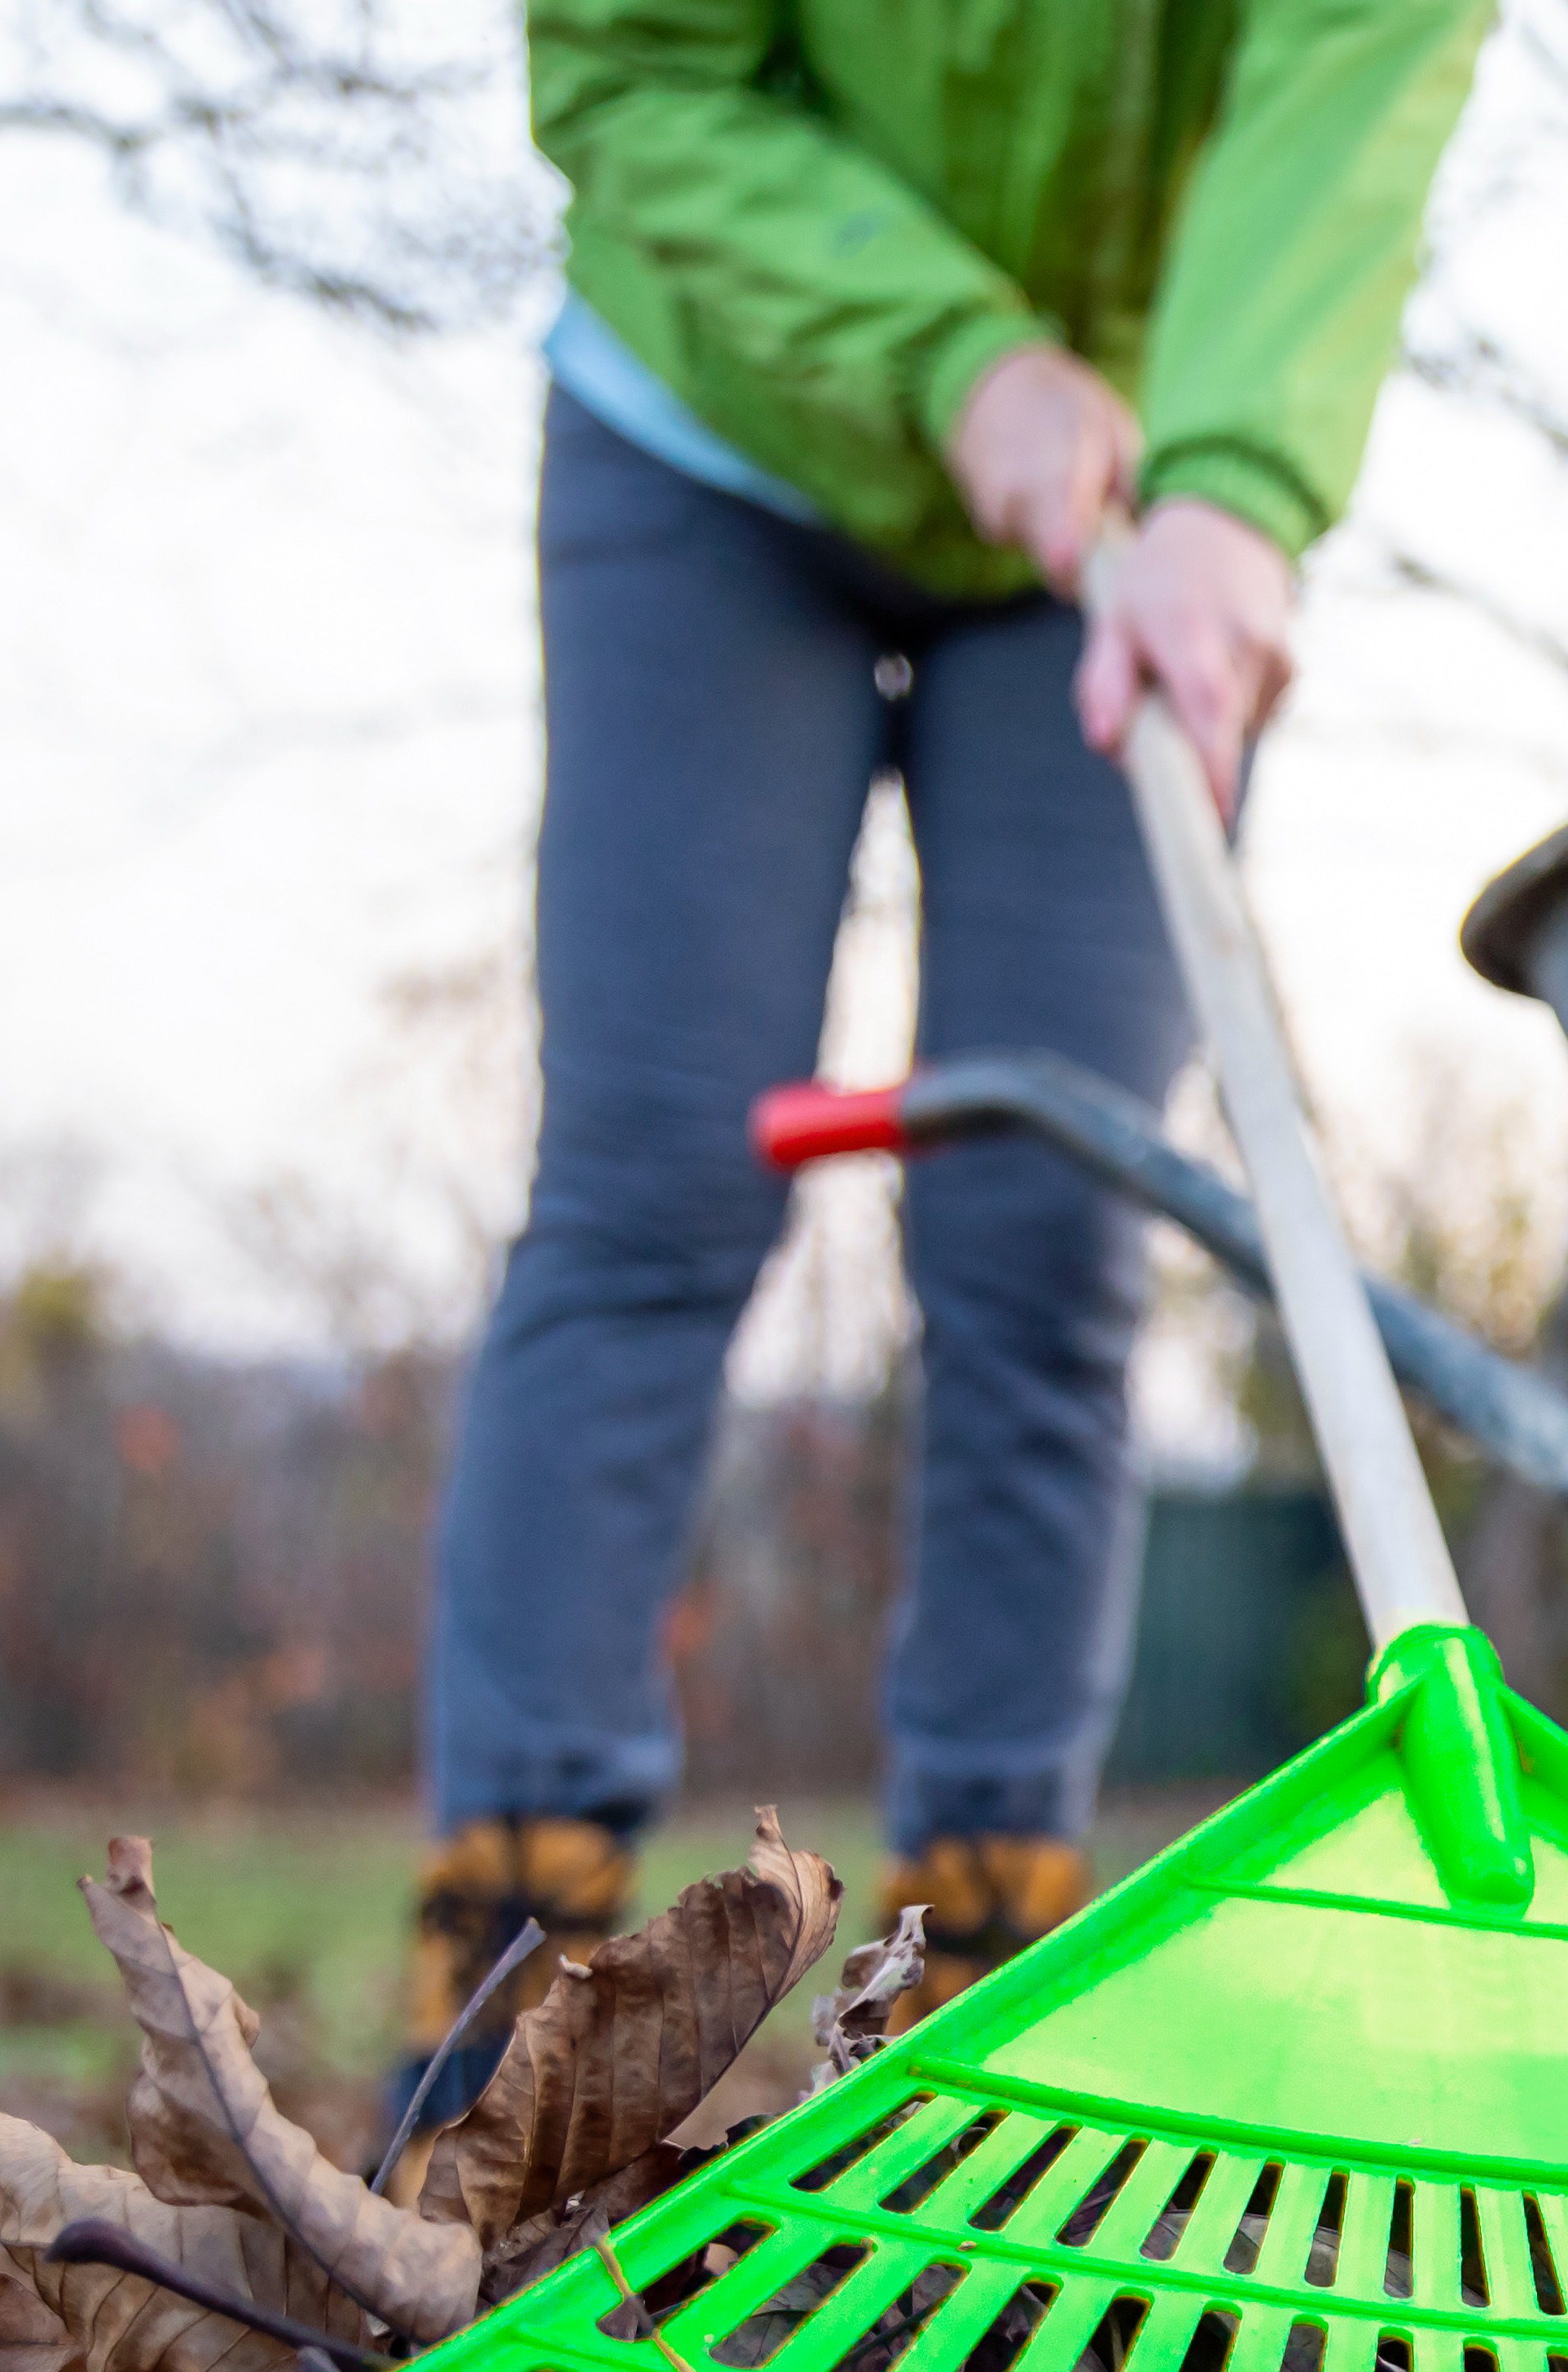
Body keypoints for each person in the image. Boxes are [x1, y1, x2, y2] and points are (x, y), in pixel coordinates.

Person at [397, 0, 1491, 2137]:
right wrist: (956, 357)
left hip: (1128, 509)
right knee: (653, 1187)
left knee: (1052, 1227)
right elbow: (633, 75)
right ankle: (509, 1999)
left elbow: (1354, 77)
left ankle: (982, 1991)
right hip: (715, 424)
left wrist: (1244, 483)